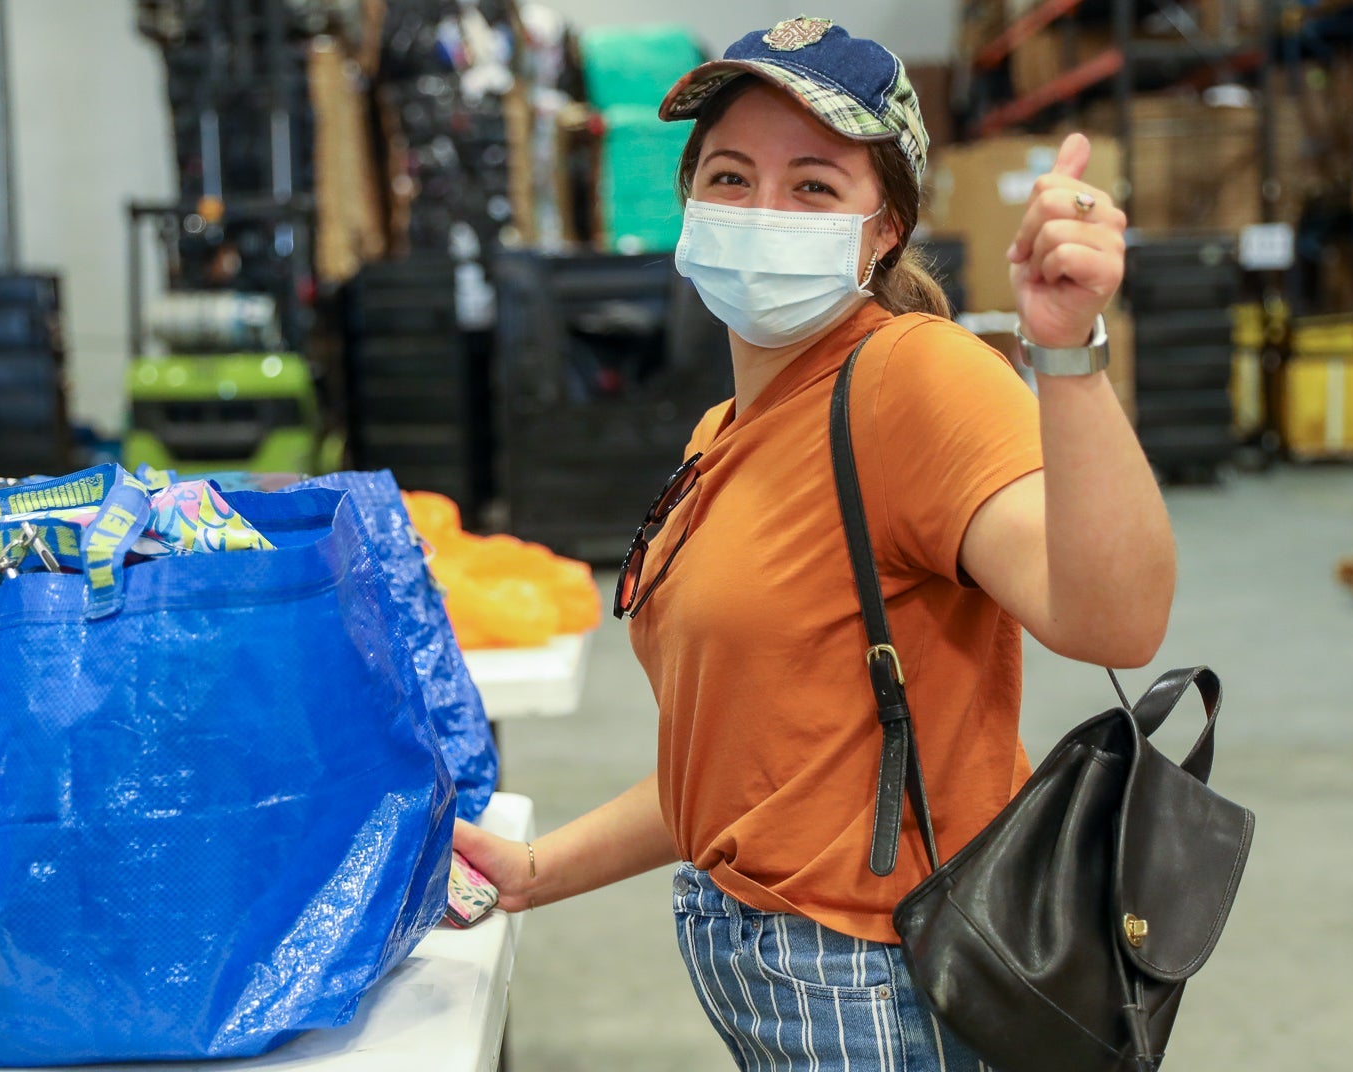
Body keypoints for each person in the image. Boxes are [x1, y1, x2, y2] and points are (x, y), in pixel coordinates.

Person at [453, 17, 1177, 1071]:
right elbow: (750, 762)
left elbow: (1113, 619)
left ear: (882, 230)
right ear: (688, 198)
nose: (759, 213)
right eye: (731, 176)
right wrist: (534, 868)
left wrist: (1065, 357)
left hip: (878, 985)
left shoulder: (912, 380)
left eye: (812, 187)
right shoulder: (722, 433)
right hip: (769, 973)